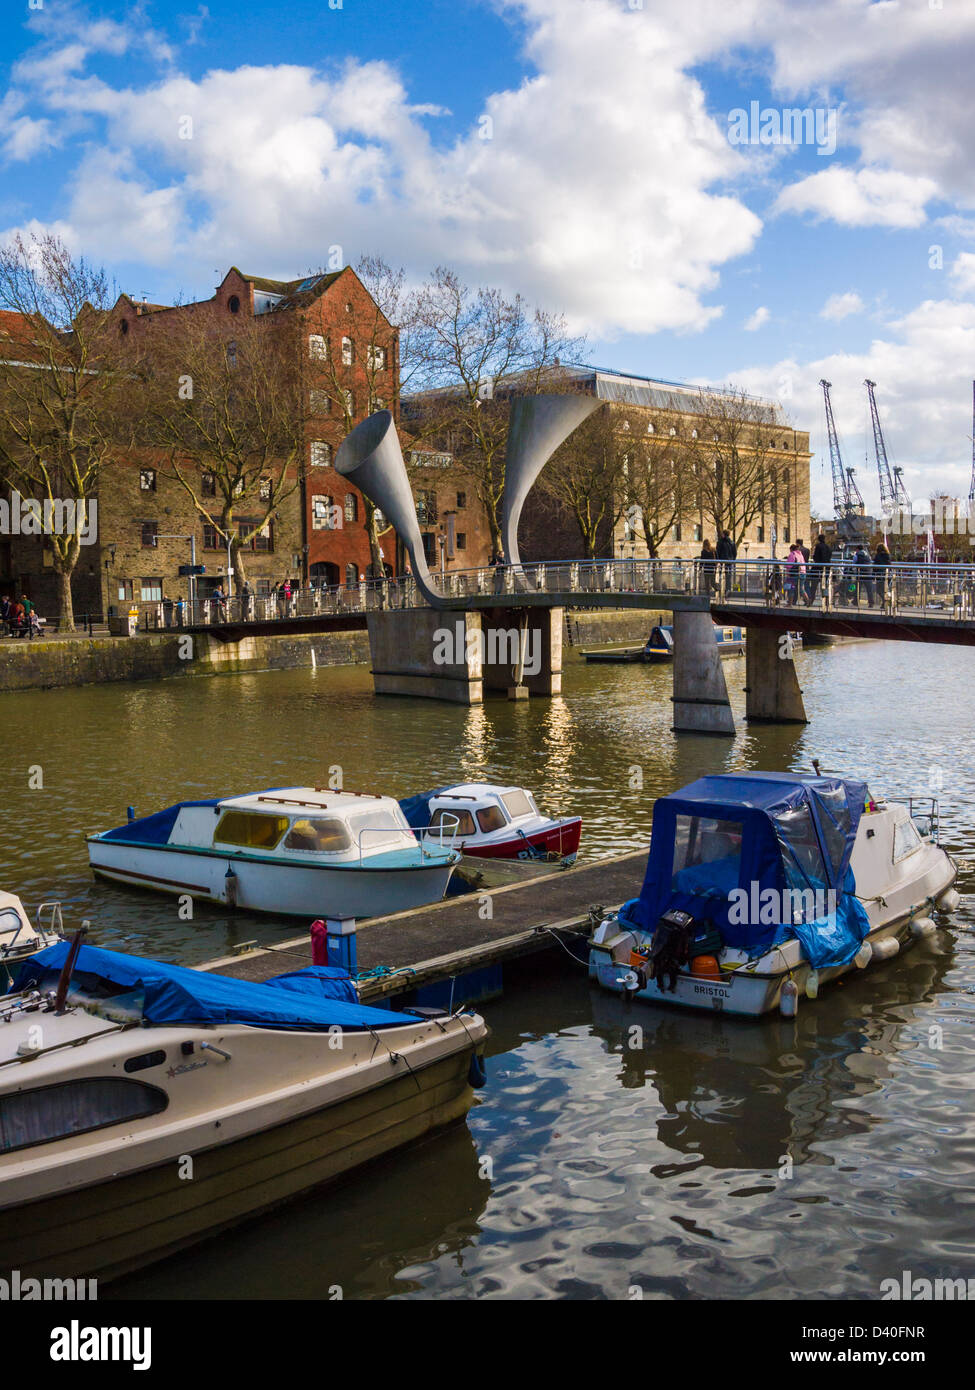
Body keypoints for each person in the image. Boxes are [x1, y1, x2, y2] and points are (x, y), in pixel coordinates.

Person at [807, 533, 832, 605]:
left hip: (817, 568)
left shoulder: (818, 546)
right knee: (825, 585)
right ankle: (827, 601)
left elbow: (815, 557)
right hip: (826, 568)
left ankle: (811, 600)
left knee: (814, 586)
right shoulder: (828, 547)